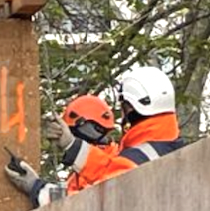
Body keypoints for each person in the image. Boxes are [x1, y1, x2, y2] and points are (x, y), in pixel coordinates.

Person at [47, 66, 184, 182]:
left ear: (131, 107)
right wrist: (36, 186)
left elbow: (108, 178)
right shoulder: (172, 147)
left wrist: (72, 145)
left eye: (124, 107)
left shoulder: (144, 156)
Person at [5, 94, 119, 207]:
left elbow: (78, 203)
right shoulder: (81, 175)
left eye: (72, 132)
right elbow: (68, 196)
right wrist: (35, 184)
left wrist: (36, 187)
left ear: (88, 129)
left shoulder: (114, 165)